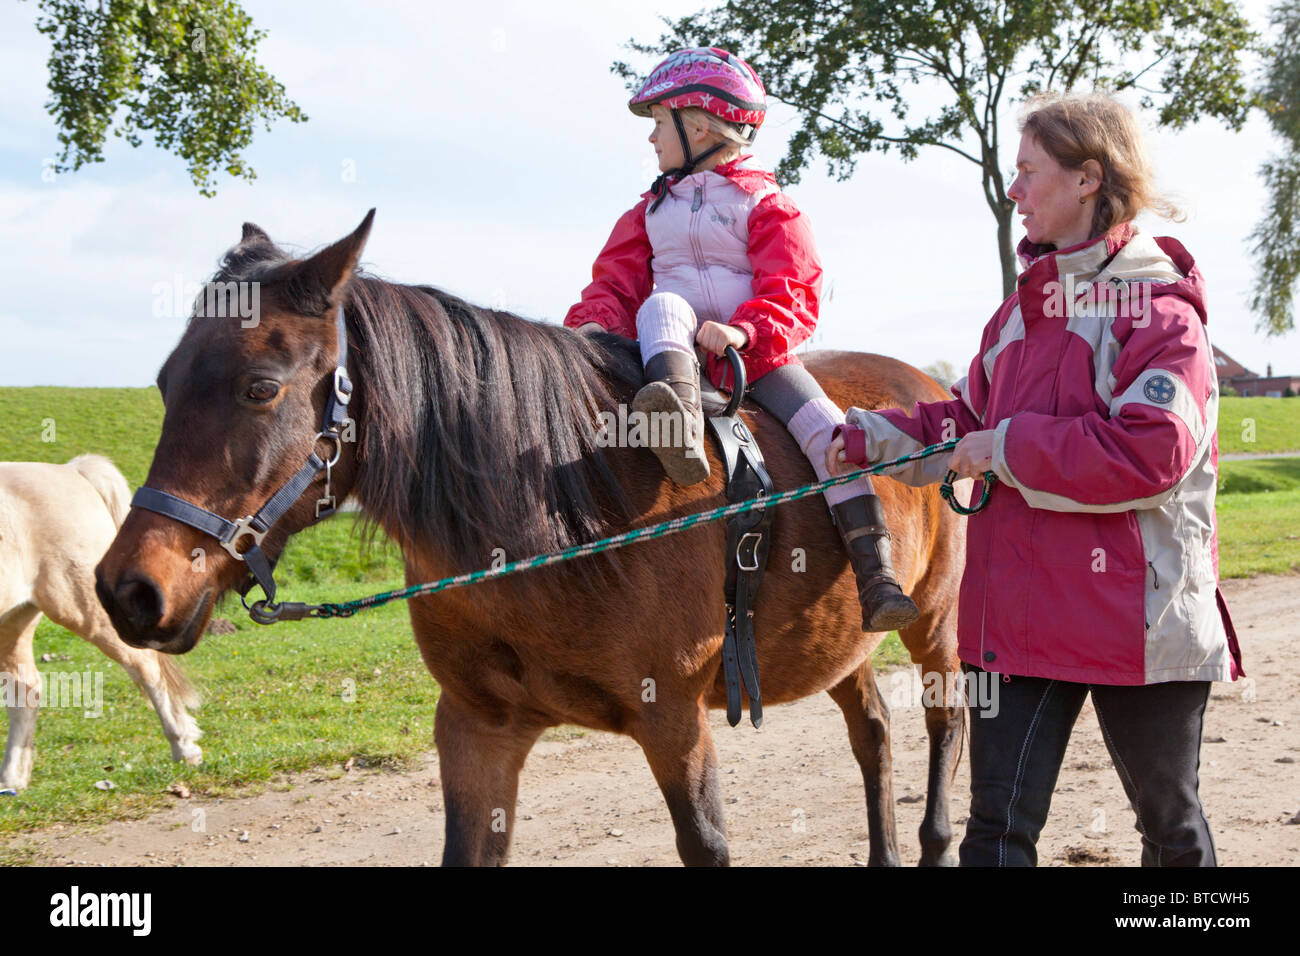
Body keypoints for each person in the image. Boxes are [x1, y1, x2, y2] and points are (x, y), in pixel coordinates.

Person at [828, 91, 1245, 866]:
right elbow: (965, 423)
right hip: (1019, 622)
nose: (1013, 190)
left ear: (1088, 179)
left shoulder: (1161, 314)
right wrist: (869, 438)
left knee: (1171, 833)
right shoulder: (1018, 315)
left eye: (1028, 172)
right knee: (995, 834)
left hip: (1139, 625)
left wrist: (1007, 446)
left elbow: (1150, 454)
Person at [564, 46, 919, 631]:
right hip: (670, 347)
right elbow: (614, 286)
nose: (651, 140)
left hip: (756, 356)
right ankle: (672, 412)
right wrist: (587, 332)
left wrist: (745, 329)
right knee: (662, 303)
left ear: (698, 125)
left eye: (658, 124)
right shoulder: (648, 213)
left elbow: (796, 291)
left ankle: (876, 574)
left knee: (829, 435)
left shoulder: (770, 206)